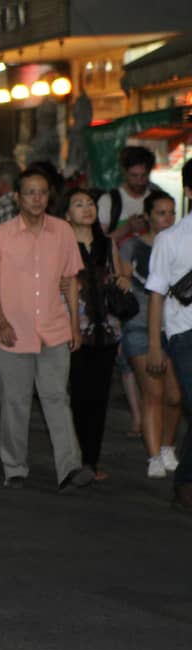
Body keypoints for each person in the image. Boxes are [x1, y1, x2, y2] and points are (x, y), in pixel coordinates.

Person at [0, 167, 90, 491]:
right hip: (13, 332)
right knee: (15, 402)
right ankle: (14, 468)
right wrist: (0, 321)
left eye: (42, 192)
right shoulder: (1, 236)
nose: (37, 199)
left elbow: (71, 283)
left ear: (49, 196)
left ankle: (69, 468)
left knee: (56, 398)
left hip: (54, 329)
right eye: (30, 192)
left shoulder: (63, 232)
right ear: (17, 197)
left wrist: (75, 327)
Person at [65, 189, 131, 480]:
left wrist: (124, 278)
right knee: (78, 396)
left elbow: (120, 276)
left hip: (107, 329)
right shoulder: (63, 244)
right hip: (75, 329)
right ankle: (77, 457)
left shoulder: (107, 243)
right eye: (79, 205)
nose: (86, 209)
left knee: (100, 397)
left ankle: (92, 460)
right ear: (68, 214)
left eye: (90, 204)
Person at [121, 193, 183, 478]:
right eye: (160, 213)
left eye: (171, 213)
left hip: (172, 326)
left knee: (174, 395)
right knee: (153, 393)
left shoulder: (178, 243)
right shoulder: (134, 245)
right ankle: (154, 454)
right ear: (147, 215)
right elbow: (121, 276)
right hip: (139, 326)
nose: (167, 219)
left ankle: (168, 445)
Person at [144, 209, 192, 511]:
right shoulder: (170, 239)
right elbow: (156, 295)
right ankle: (185, 482)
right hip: (184, 332)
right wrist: (153, 345)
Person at [97, 145, 167, 238]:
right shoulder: (108, 201)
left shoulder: (159, 200)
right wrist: (128, 227)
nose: (140, 181)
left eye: (144, 175)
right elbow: (100, 244)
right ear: (124, 173)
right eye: (134, 176)